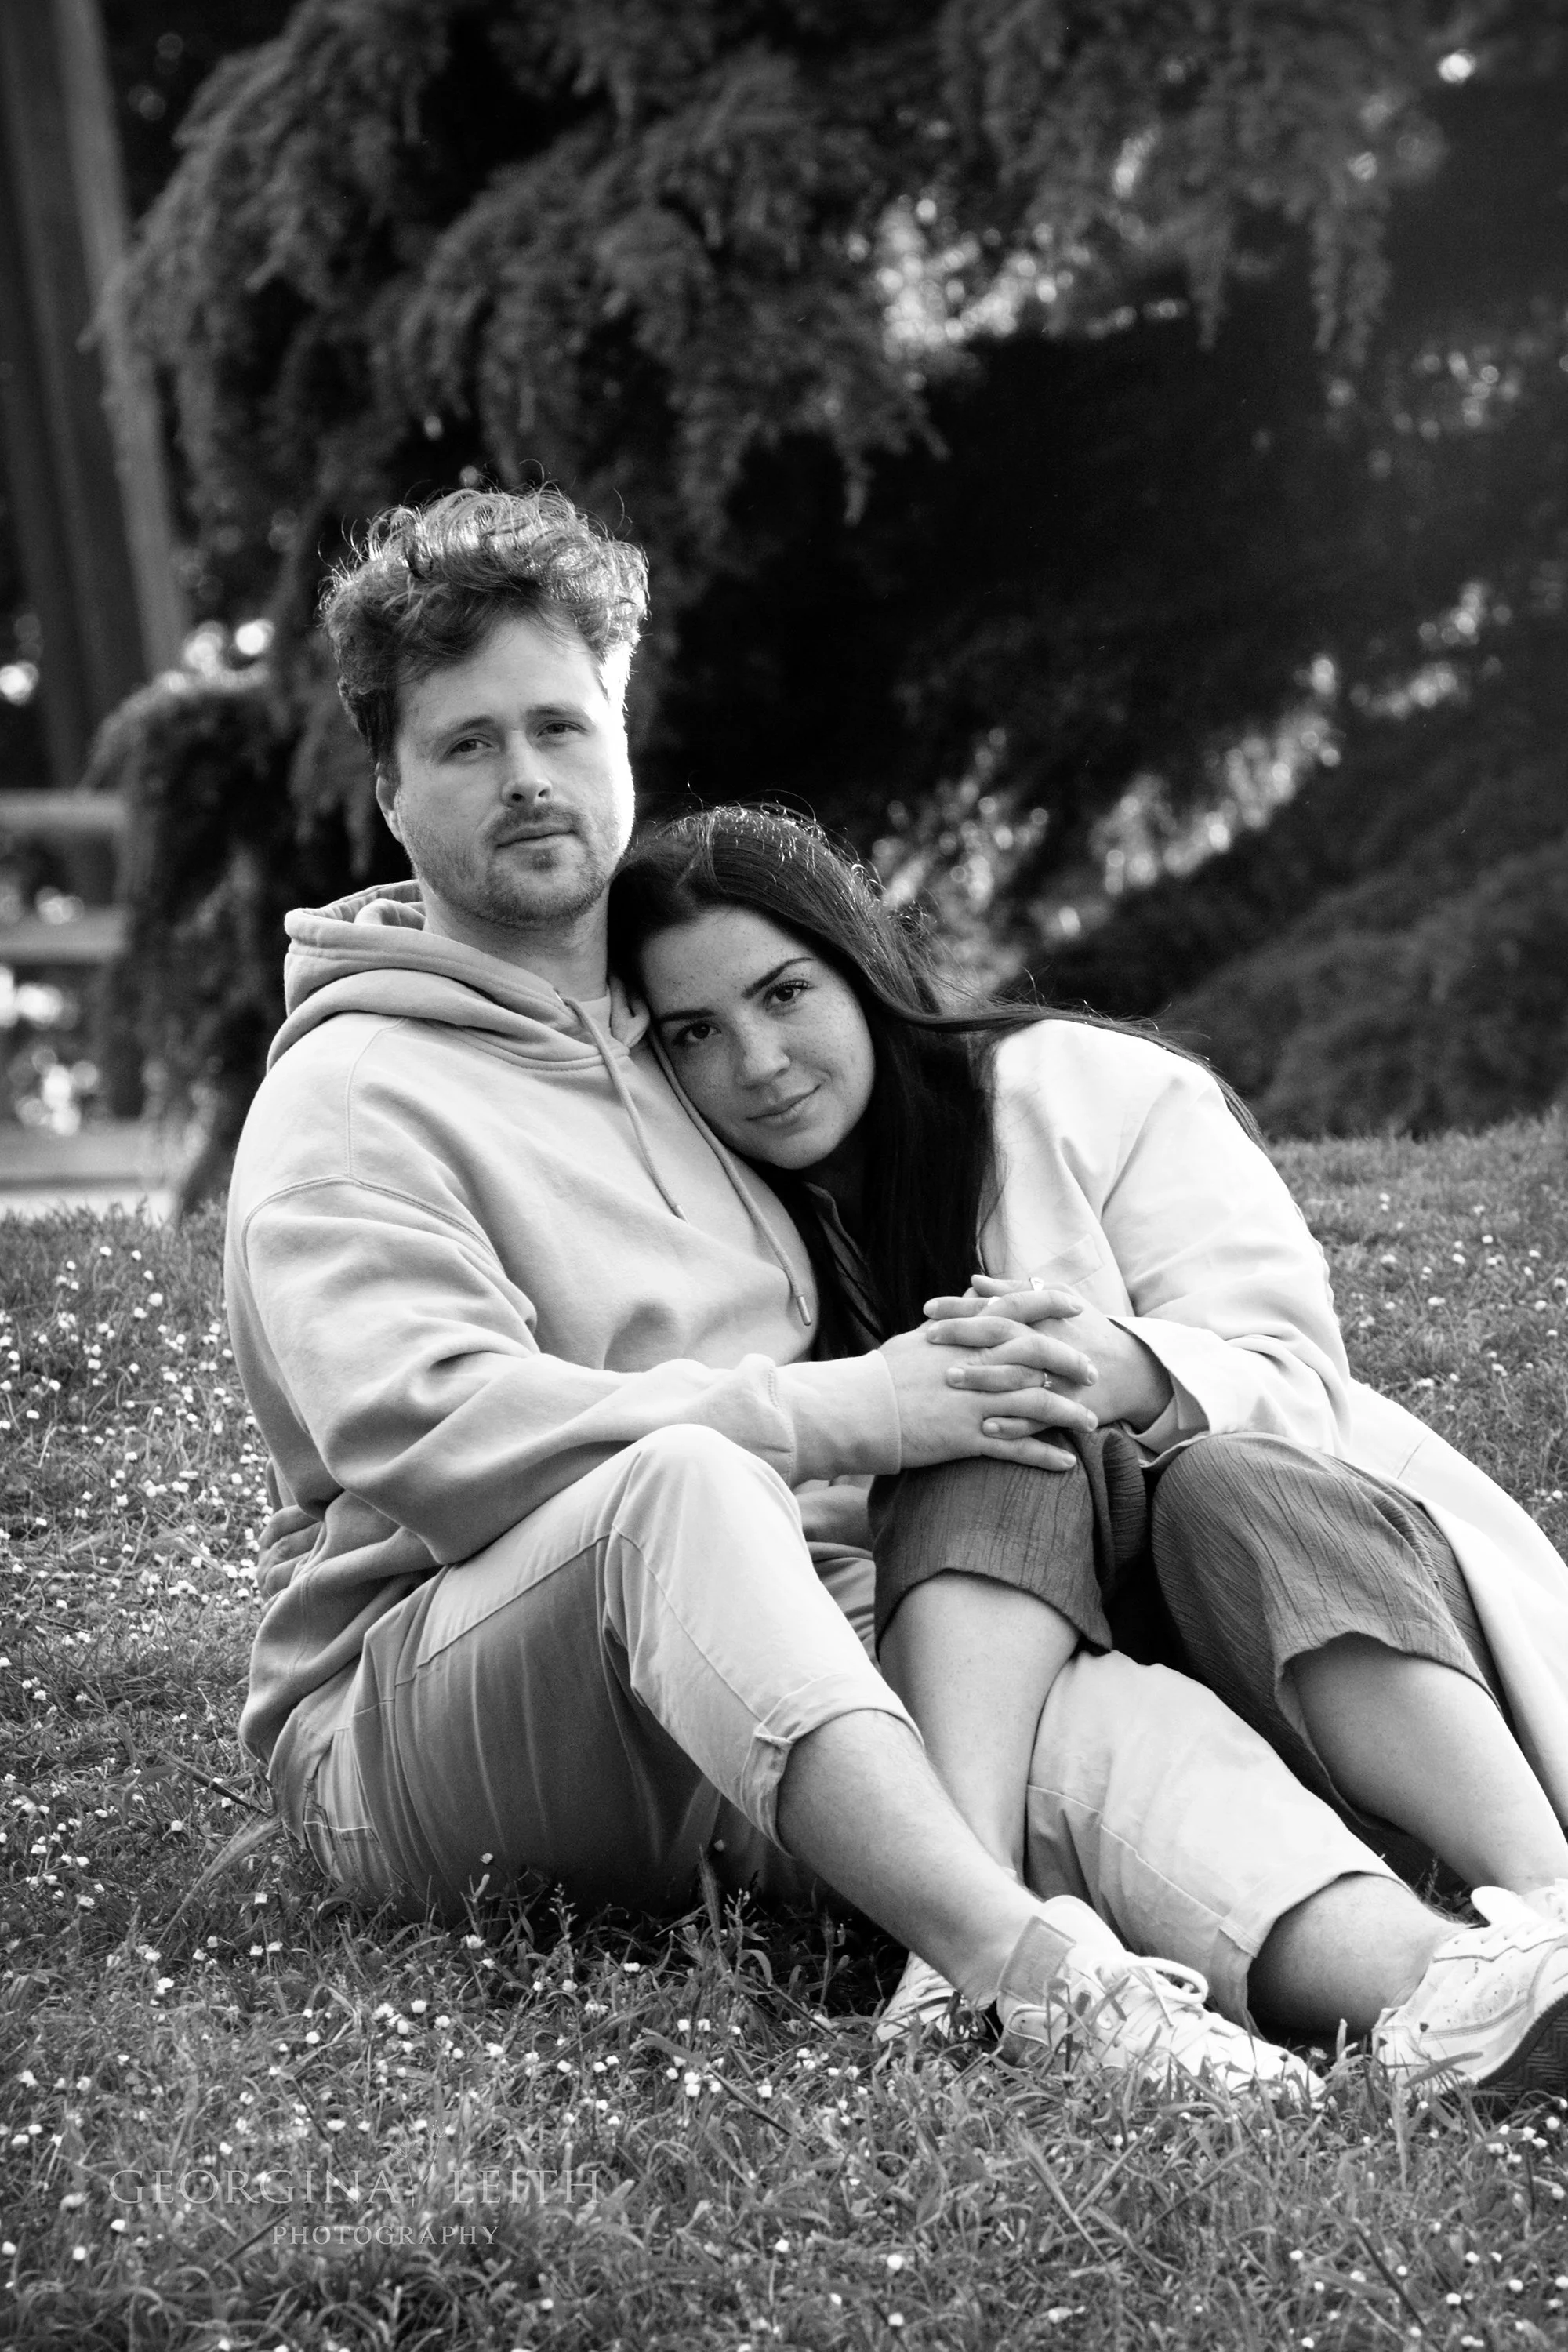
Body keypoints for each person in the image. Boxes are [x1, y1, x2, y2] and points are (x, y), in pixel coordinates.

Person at [225, 486, 1568, 2111]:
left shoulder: (687, 1061)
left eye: (559, 726)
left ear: (622, 739)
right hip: (421, 1709)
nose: (526, 776)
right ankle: (1007, 1974)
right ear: (388, 788)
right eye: (465, 744)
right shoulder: (351, 1097)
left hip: (762, 1659)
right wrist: (848, 1409)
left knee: (1080, 1721)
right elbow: (435, 1436)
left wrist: (1004, 1400)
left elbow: (1244, 1359)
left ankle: (1451, 1995)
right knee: (683, 1483)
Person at [609, 802, 1568, 2050]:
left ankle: (1546, 1906)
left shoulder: (1084, 1089)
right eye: (695, 1032)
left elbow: (1303, 1386)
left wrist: (1121, 1368)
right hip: (1063, 1706)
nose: (758, 1062)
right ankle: (962, 1938)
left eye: (785, 994)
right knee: (981, 1429)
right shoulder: (704, 1225)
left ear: (861, 964)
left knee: (1193, 1469)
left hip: (1325, 1603)